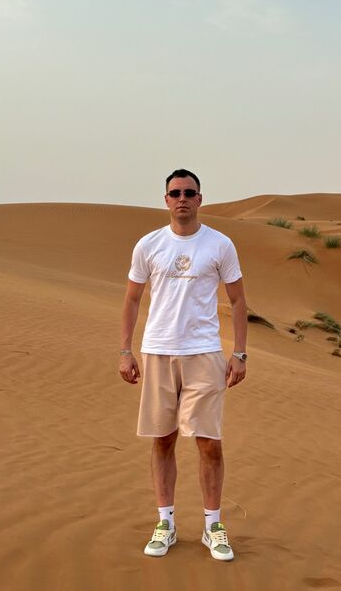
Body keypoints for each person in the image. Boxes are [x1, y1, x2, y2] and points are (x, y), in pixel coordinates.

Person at [119, 168, 248, 561]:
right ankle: (166, 523)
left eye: (189, 193)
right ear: (166, 200)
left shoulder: (220, 244)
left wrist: (240, 353)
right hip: (158, 350)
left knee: (209, 442)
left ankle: (213, 527)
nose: (182, 199)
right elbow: (132, 298)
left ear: (200, 199)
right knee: (163, 439)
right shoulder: (149, 244)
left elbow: (238, 301)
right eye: (175, 193)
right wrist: (125, 350)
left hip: (204, 352)